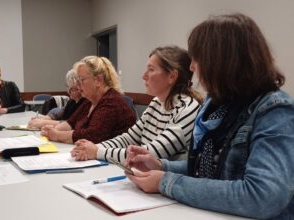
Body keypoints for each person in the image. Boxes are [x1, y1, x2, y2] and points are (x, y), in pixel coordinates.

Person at [125, 13, 294, 219]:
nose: (192, 67)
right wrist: (162, 166)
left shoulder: (274, 111)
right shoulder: (214, 105)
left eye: (197, 58)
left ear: (222, 61)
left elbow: (262, 197)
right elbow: (210, 171)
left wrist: (165, 181)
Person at [70, 46, 202, 163]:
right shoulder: (156, 103)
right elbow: (128, 138)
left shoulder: (187, 108)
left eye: (151, 69)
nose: (144, 76)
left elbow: (150, 153)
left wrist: (97, 152)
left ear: (172, 77)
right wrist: (95, 147)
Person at [42, 56, 136, 144]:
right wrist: (52, 130)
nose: (78, 85)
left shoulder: (112, 101)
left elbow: (92, 135)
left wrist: (57, 135)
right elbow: (71, 122)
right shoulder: (89, 100)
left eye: (82, 80)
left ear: (98, 80)